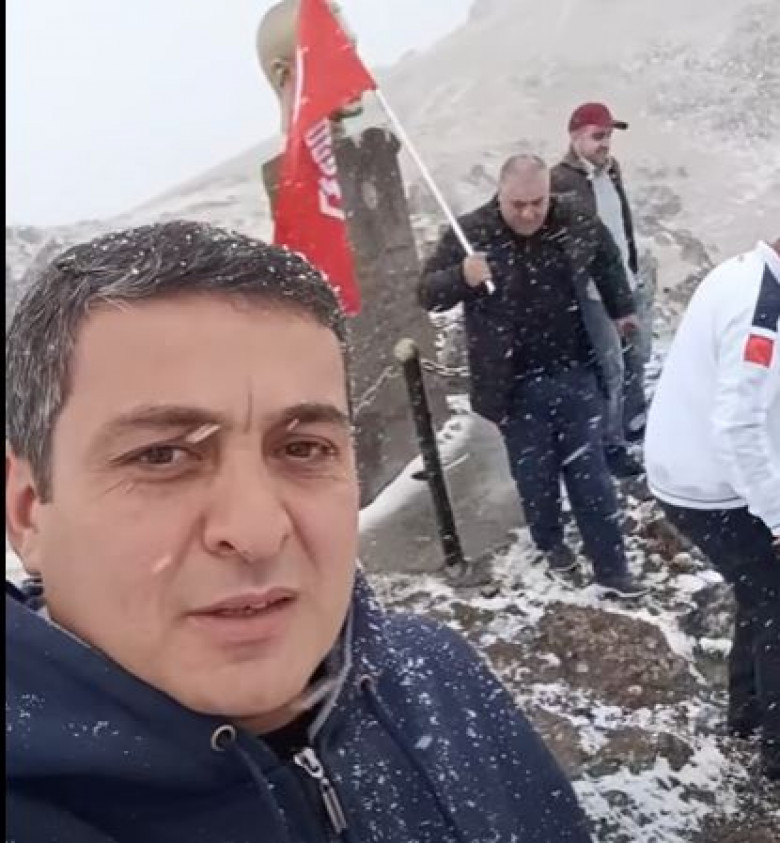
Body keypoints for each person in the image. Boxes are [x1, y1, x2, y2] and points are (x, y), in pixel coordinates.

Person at [5, 221, 594, 842]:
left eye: (304, 448)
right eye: (161, 456)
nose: (257, 532)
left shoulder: (440, 675)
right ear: (26, 510)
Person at [419, 154, 647, 599]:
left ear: (548, 194)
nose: (528, 214)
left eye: (537, 203)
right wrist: (462, 276)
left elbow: (605, 256)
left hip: (575, 370)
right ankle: (551, 545)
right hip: (512, 384)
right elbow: (428, 293)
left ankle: (612, 569)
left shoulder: (573, 219)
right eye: (517, 205)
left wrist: (622, 308)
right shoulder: (472, 232)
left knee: (591, 475)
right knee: (535, 477)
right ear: (500, 195)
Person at [645, 237, 780, 781]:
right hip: (705, 484)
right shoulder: (761, 313)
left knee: (760, 593)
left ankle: (746, 715)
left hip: (692, 462)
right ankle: (775, 751)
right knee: (776, 602)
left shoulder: (743, 272)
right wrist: (777, 516)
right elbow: (737, 426)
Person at [551, 102, 651, 472]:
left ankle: (633, 423)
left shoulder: (611, 170)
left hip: (625, 280)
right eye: (597, 136)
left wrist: (632, 267)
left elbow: (621, 224)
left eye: (608, 135)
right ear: (575, 137)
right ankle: (611, 447)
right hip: (594, 293)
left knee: (636, 356)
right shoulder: (560, 181)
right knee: (611, 369)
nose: (605, 143)